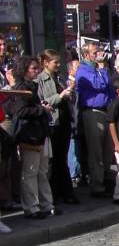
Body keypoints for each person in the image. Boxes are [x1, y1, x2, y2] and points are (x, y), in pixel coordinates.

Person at [9, 57, 57, 218]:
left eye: (37, 68)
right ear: (24, 70)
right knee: (30, 171)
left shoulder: (33, 86)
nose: (37, 71)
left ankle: (47, 204)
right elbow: (20, 111)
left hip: (40, 132)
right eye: (33, 68)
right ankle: (31, 207)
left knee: (42, 170)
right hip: (29, 134)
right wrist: (41, 109)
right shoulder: (21, 88)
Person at [36, 49, 78, 205]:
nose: (58, 65)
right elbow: (43, 101)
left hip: (64, 120)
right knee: (54, 160)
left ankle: (64, 191)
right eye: (55, 62)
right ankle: (58, 192)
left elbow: (69, 99)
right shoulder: (40, 80)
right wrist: (60, 96)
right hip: (52, 122)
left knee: (62, 157)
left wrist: (70, 90)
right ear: (46, 63)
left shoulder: (59, 78)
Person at [75, 42, 112, 196]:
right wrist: (102, 67)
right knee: (96, 152)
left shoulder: (98, 68)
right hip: (93, 112)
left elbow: (109, 87)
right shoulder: (83, 71)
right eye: (95, 52)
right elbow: (99, 85)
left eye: (99, 51)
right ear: (86, 55)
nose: (99, 54)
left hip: (105, 111)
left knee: (107, 151)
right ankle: (97, 185)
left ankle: (106, 179)